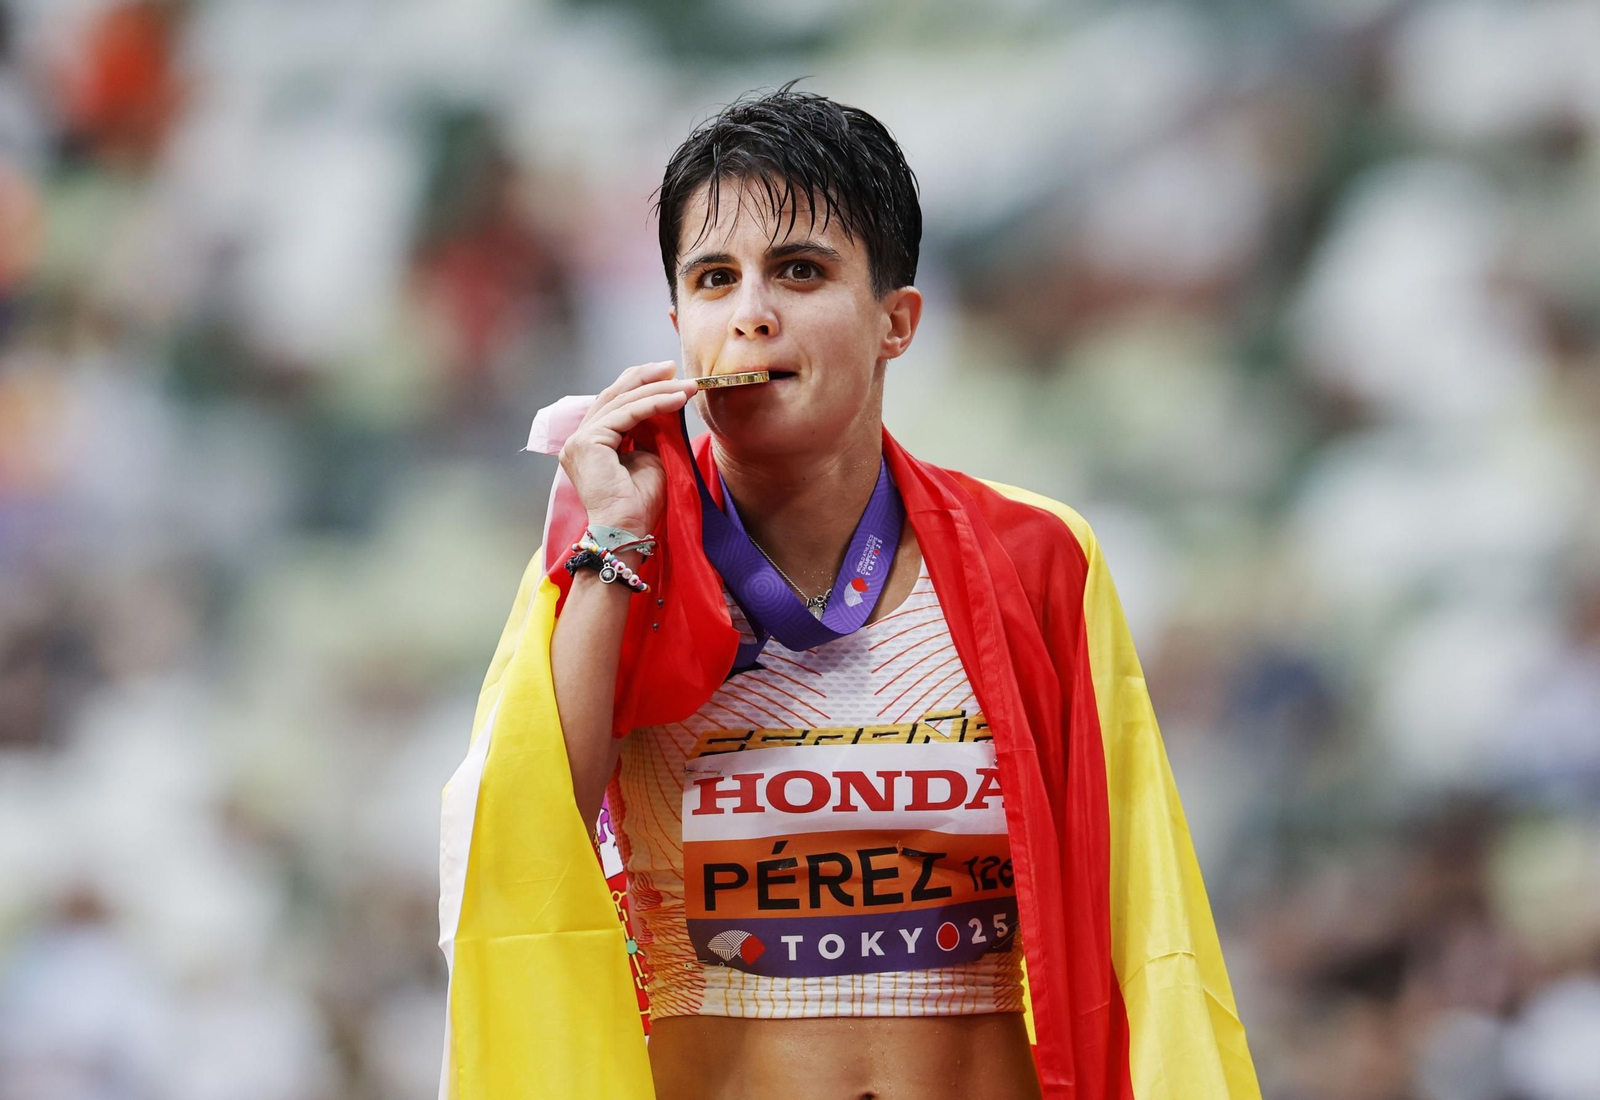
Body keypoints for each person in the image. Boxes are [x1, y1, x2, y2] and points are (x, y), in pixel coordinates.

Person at [438, 86, 1261, 1100]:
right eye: (713, 279)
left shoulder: (1037, 556)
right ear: (676, 326)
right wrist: (610, 540)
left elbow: (1143, 910)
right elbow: (520, 846)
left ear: (895, 322)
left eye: (799, 270)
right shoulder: (617, 558)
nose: (751, 313)